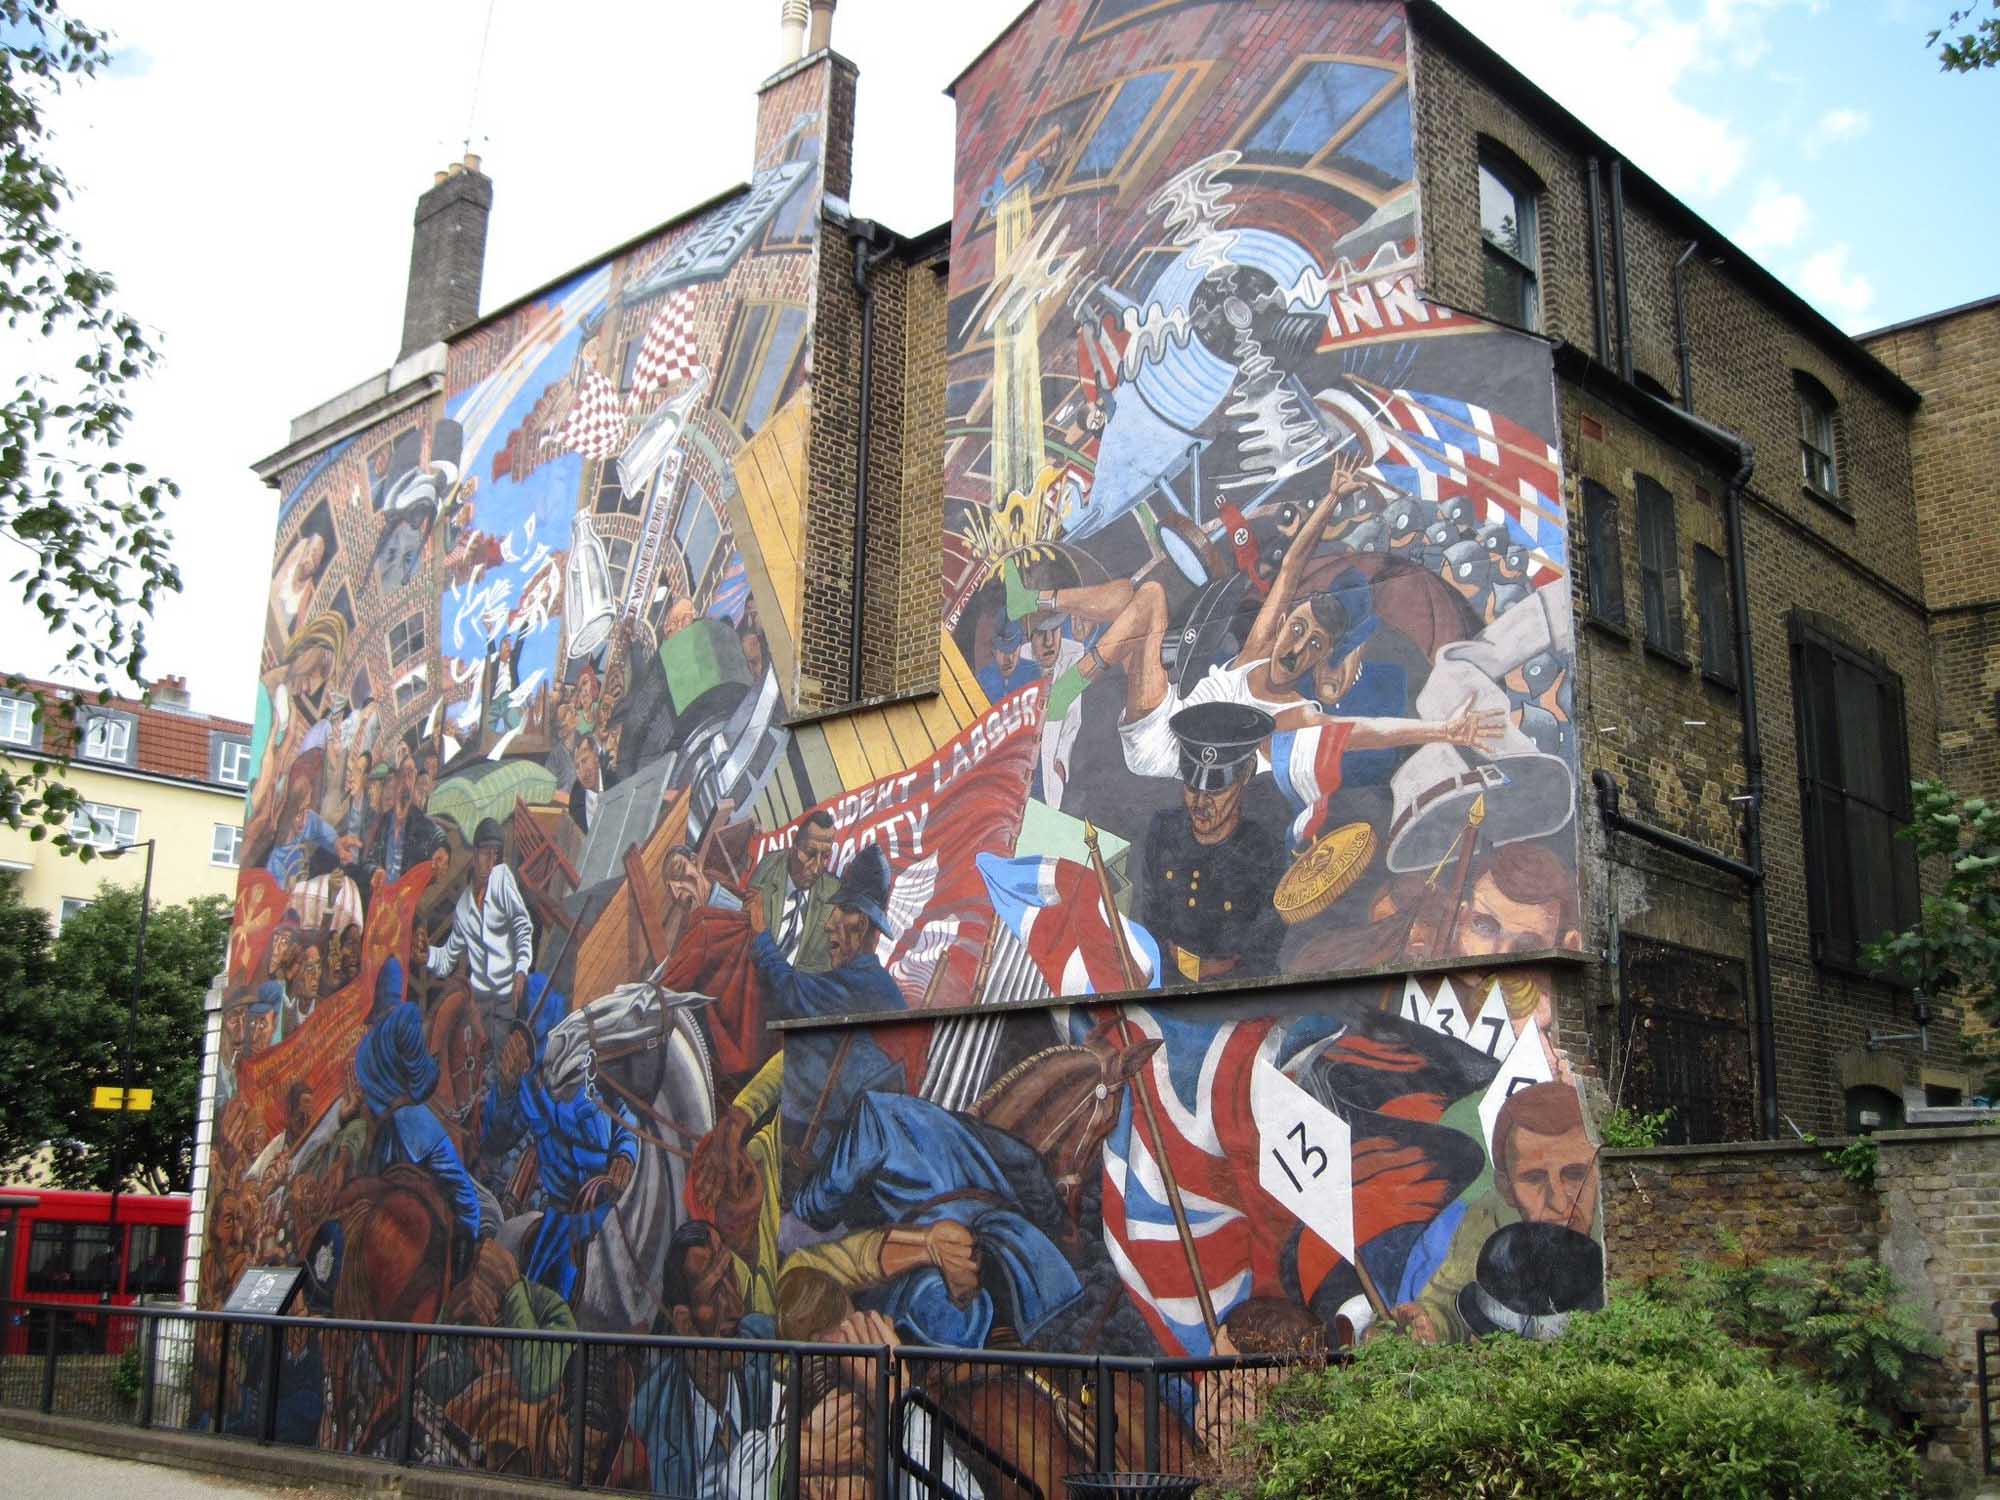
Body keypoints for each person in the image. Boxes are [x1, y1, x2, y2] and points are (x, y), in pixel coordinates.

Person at [1003, 459, 1505, 785]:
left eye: (1314, 644)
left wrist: (1443, 729)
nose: (1300, 645)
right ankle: (1035, 599)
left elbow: (1362, 731)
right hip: (1168, 708)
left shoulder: (1295, 712)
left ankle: (1064, 692)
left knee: (1152, 597)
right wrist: (1330, 498)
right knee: (1126, 595)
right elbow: (1288, 570)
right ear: (1285, 623)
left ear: (1321, 656)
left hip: (1170, 748)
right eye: (1300, 629)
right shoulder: (1260, 649)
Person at [1388, 1081, 1598, 1343]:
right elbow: (1448, 1302)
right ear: (1506, 1188)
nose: (1557, 1201)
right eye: (1534, 1178)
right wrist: (1427, 1323)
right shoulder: (1487, 1218)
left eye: (1576, 1174)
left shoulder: (1623, 1219)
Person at [747, 846, 908, 1152]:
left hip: (834, 1146)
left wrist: (760, 932)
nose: (827, 923)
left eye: (842, 910)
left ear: (860, 925)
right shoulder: (874, 983)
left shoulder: (861, 985)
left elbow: (790, 991)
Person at [483, 1017, 638, 1304]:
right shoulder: (527, 1093)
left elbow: (626, 1116)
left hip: (607, 1208)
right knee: (539, 1293)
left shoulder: (594, 1075)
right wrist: (504, 1090)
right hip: (561, 1218)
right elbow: (495, 1139)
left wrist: (625, 1154)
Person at [1135, 703, 1287, 986]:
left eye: (1216, 789)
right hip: (1167, 979)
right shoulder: (1163, 830)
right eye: (1192, 788)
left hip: (1233, 990)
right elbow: (1150, 919)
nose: (1201, 803)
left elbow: (1263, 952)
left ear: (1245, 774)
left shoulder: (1265, 853)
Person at [626, 1220, 779, 1500]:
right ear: (684, 1322)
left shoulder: (769, 1351)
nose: (736, 1307)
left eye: (731, 1276)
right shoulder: (649, 1419)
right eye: (716, 1291)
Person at [427, 818, 536, 1046]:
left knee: (500, 1061)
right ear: (475, 854)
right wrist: (424, 954)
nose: (491, 861)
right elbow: (447, 959)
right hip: (478, 1002)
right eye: (487, 853)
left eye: (496, 854)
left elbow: (522, 926)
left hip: (506, 999)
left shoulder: (502, 879)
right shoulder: (463, 907)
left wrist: (521, 970)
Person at [744, 811, 839, 971]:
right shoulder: (769, 869)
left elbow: (821, 968)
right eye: (809, 853)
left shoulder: (832, 894)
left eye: (825, 857)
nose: (816, 869)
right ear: (794, 844)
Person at [361, 757, 445, 891]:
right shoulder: (382, 822)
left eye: (410, 774)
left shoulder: (420, 821)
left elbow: (439, 837)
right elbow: (366, 860)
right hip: (381, 896)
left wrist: (443, 849)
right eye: (403, 774)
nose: (406, 779)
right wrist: (375, 871)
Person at [976, 615, 1040, 703]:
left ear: (1020, 647)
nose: (1008, 659)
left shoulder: (1033, 672)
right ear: (994, 650)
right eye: (1003, 651)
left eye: (1013, 650)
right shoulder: (982, 679)